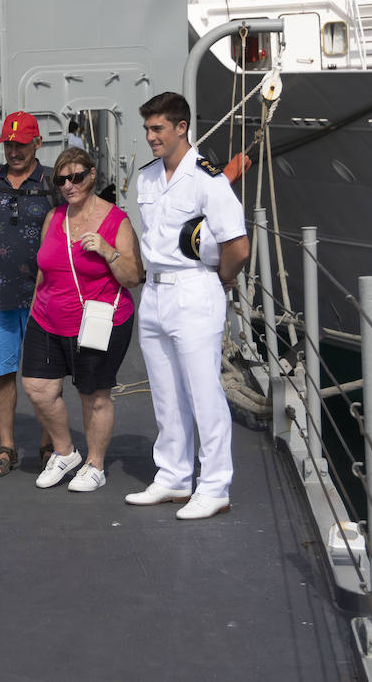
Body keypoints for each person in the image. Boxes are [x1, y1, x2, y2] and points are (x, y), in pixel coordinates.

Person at [125, 92, 250, 520]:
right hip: (155, 292)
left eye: (157, 129)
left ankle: (214, 486)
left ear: (182, 127)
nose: (150, 137)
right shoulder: (147, 178)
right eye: (147, 129)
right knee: (165, 392)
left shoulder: (207, 178)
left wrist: (226, 277)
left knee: (203, 393)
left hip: (195, 290)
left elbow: (237, 243)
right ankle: (174, 476)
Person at [23, 147, 142, 492]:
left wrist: (107, 251)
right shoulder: (55, 217)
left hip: (98, 320)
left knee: (94, 394)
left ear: (92, 175)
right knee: (37, 387)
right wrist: (34, 312)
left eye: (76, 177)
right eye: (61, 179)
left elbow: (133, 277)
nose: (69, 185)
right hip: (47, 317)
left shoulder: (116, 220)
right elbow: (44, 270)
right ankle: (65, 451)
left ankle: (95, 464)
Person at [0, 111, 64, 477]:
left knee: (45, 376)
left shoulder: (54, 181)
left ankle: (48, 444)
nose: (14, 152)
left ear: (37, 143)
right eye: (9, 144)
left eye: (21, 145)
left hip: (45, 298)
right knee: (2, 372)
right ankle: (6, 446)